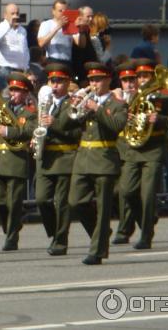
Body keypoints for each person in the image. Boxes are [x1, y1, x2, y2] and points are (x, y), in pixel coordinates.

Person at [67, 62, 128, 265]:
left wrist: (98, 109)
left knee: (103, 208)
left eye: (98, 80)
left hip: (104, 159)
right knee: (76, 202)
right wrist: (73, 105)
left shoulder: (117, 104)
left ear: (108, 80)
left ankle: (97, 251)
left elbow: (116, 126)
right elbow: (69, 123)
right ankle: (100, 232)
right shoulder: (87, 100)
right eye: (91, 80)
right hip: (83, 158)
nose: (94, 84)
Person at [119, 59, 168, 250]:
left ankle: (146, 235)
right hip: (133, 149)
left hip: (154, 149)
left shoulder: (165, 97)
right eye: (139, 76)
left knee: (147, 195)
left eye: (146, 76)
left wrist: (161, 119)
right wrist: (125, 116)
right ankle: (145, 219)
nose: (142, 80)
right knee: (127, 191)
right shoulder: (128, 96)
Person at [34, 64, 80, 255]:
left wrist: (55, 124)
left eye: (59, 81)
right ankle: (55, 233)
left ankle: (60, 242)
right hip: (46, 158)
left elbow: (77, 132)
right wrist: (34, 136)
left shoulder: (74, 104)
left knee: (62, 203)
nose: (55, 85)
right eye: (52, 81)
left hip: (64, 156)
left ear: (68, 82)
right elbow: (38, 126)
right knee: (42, 199)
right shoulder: (45, 103)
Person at [0, 73, 37, 251]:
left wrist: (8, 131)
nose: (13, 94)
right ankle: (12, 226)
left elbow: (29, 130)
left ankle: (11, 237)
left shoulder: (30, 113)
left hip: (17, 159)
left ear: (25, 94)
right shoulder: (0, 108)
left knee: (13, 202)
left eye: (18, 91)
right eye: (12, 90)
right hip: (0, 159)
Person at [110, 62, 139, 245]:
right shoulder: (115, 98)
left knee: (125, 191)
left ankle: (124, 229)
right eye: (125, 80)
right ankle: (145, 216)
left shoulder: (142, 98)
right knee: (115, 191)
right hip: (116, 147)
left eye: (132, 80)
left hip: (134, 149)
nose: (129, 84)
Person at [0, 3, 30, 89]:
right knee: (6, 96)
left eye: (17, 13)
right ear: (5, 15)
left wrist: (27, 67)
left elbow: (24, 50)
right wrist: (9, 25)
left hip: (20, 70)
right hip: (5, 69)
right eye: (12, 14)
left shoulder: (22, 30)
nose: (15, 16)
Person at [37, 0, 86, 71]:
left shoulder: (71, 24)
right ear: (53, 11)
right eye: (60, 11)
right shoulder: (46, 24)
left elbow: (81, 45)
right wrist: (58, 27)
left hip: (67, 61)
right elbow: (41, 43)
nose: (63, 13)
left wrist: (81, 31)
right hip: (53, 60)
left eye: (65, 11)